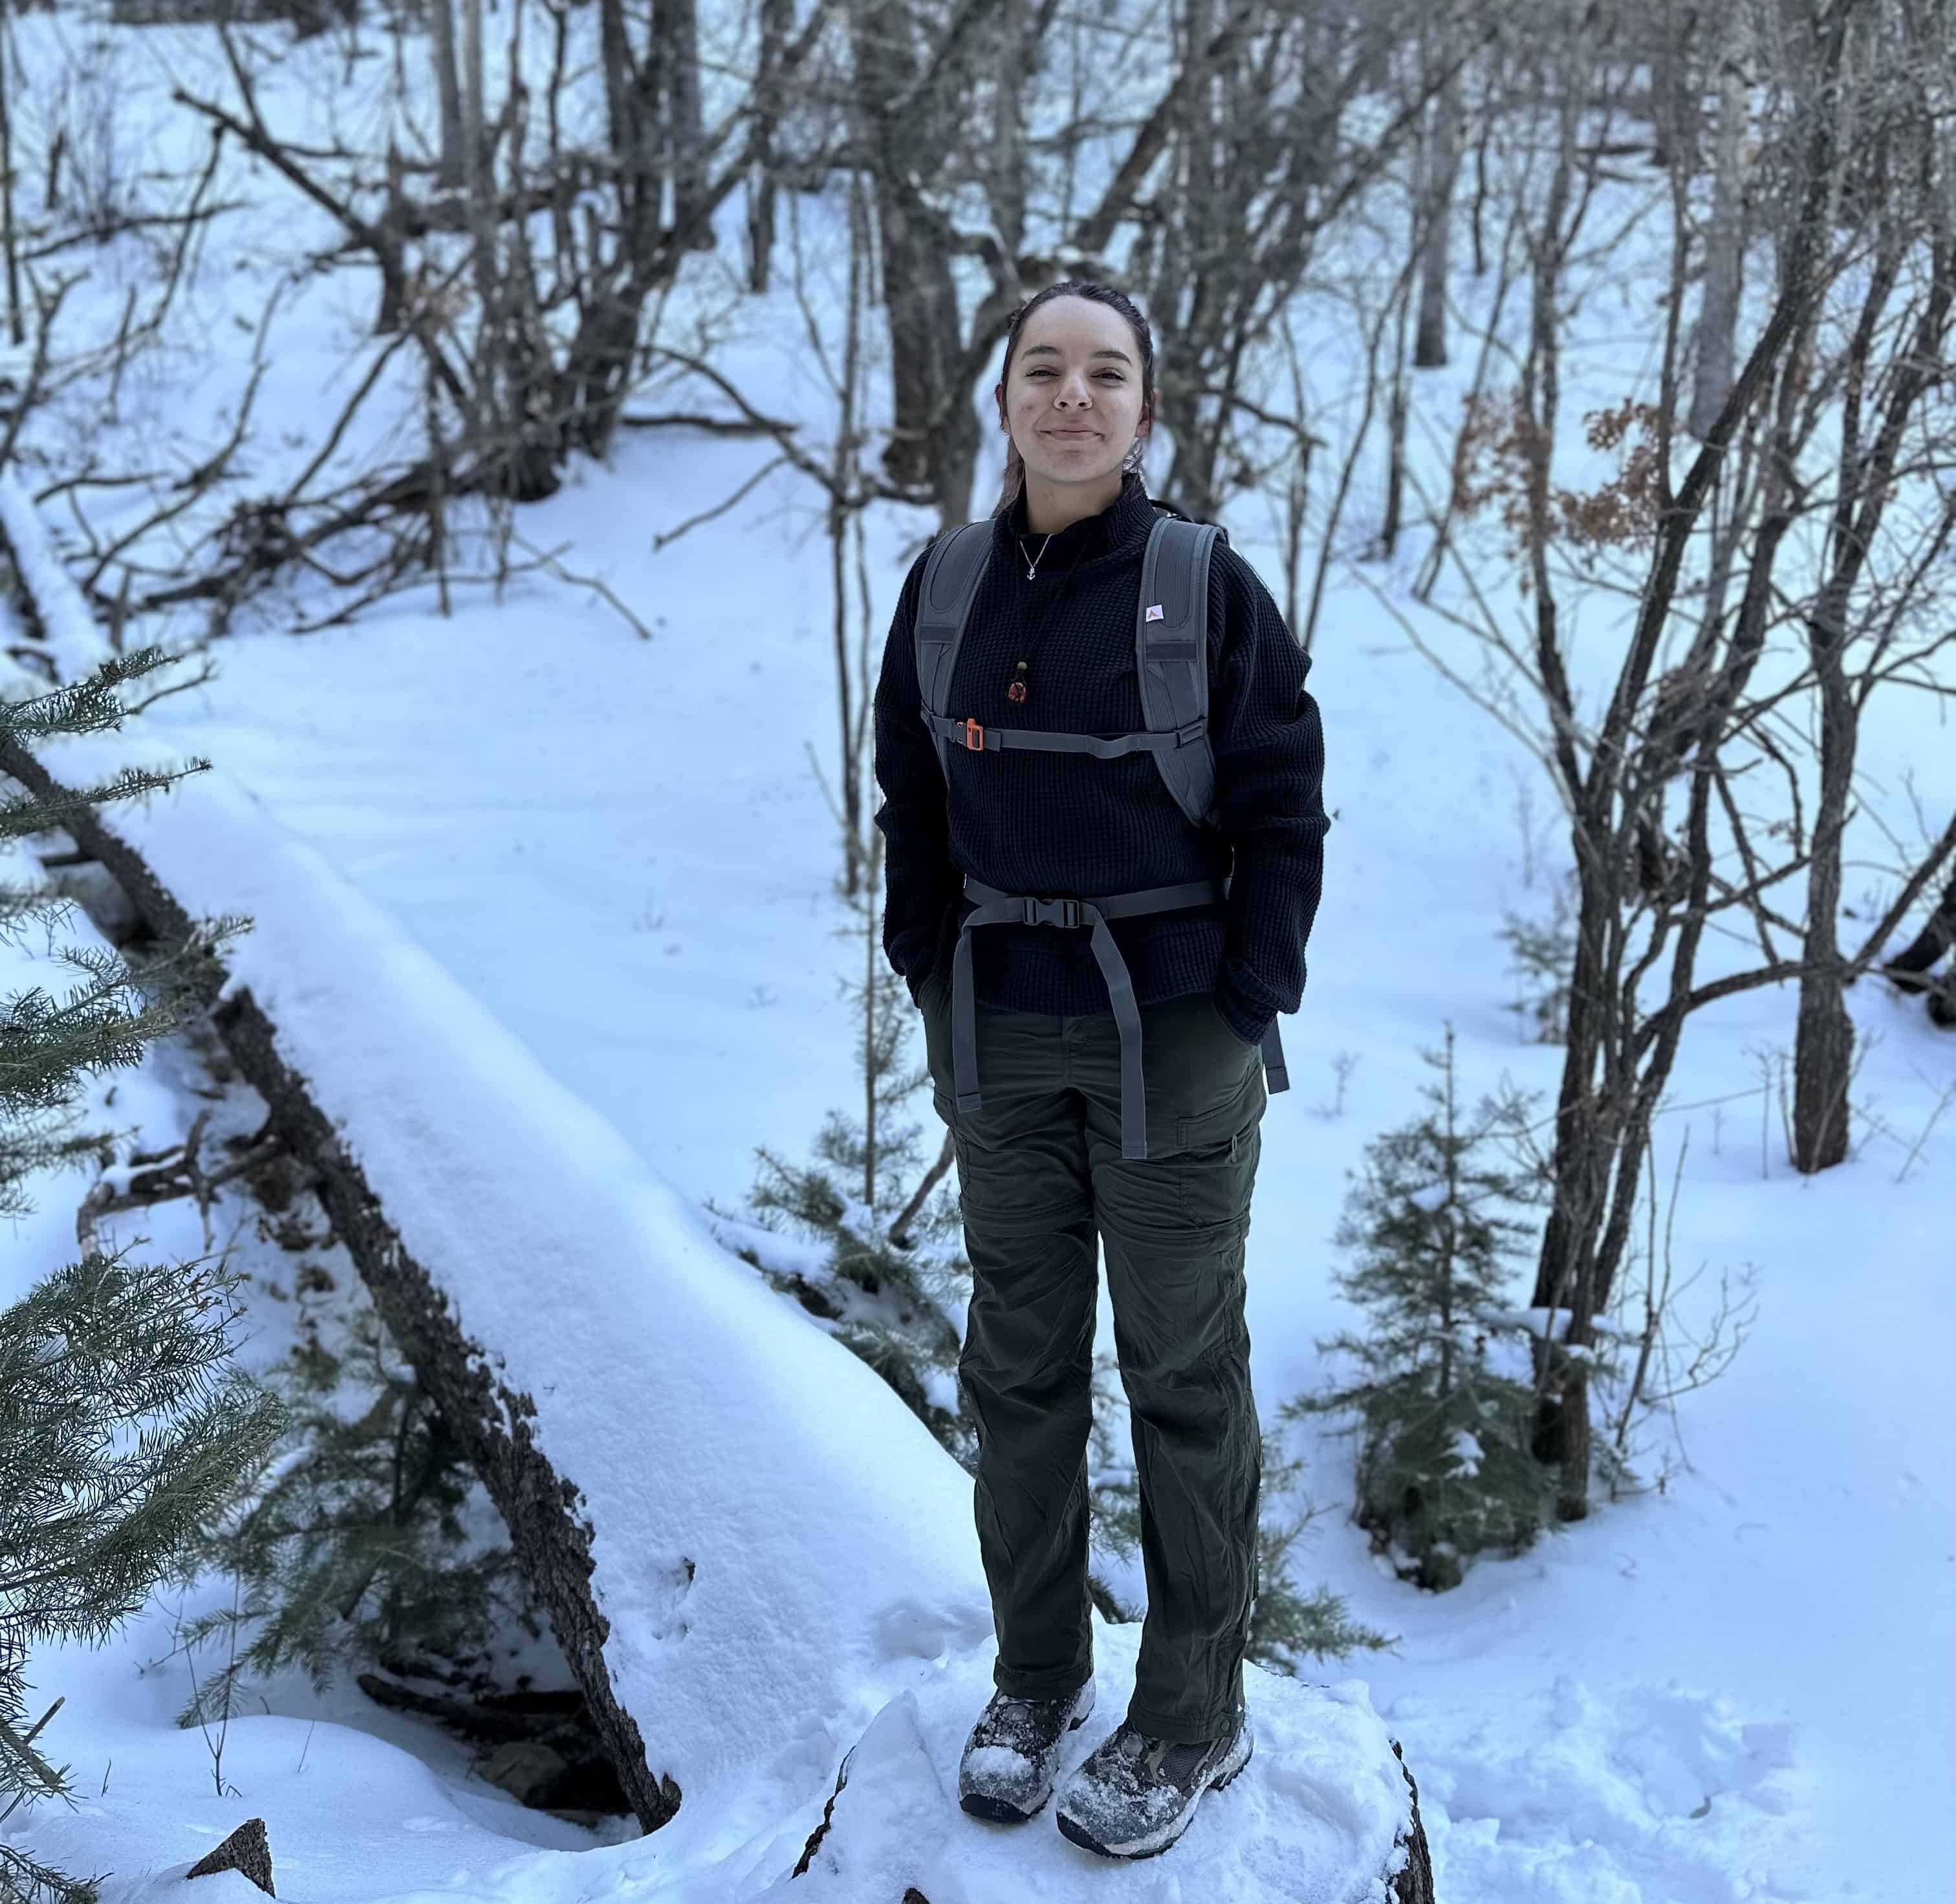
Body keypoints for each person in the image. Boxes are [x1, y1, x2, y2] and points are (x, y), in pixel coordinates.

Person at [870, 279, 1330, 1860]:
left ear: (1146, 407)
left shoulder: (1205, 585)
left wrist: (1254, 979)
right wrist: (924, 953)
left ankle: (1194, 1712)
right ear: (1002, 400)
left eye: (1107, 372)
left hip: (1176, 1031)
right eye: (1045, 369)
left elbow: (1280, 793)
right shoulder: (944, 585)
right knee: (1019, 1367)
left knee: (1185, 1376)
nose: (1075, 396)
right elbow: (908, 797)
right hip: (1000, 1022)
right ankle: (1037, 1679)